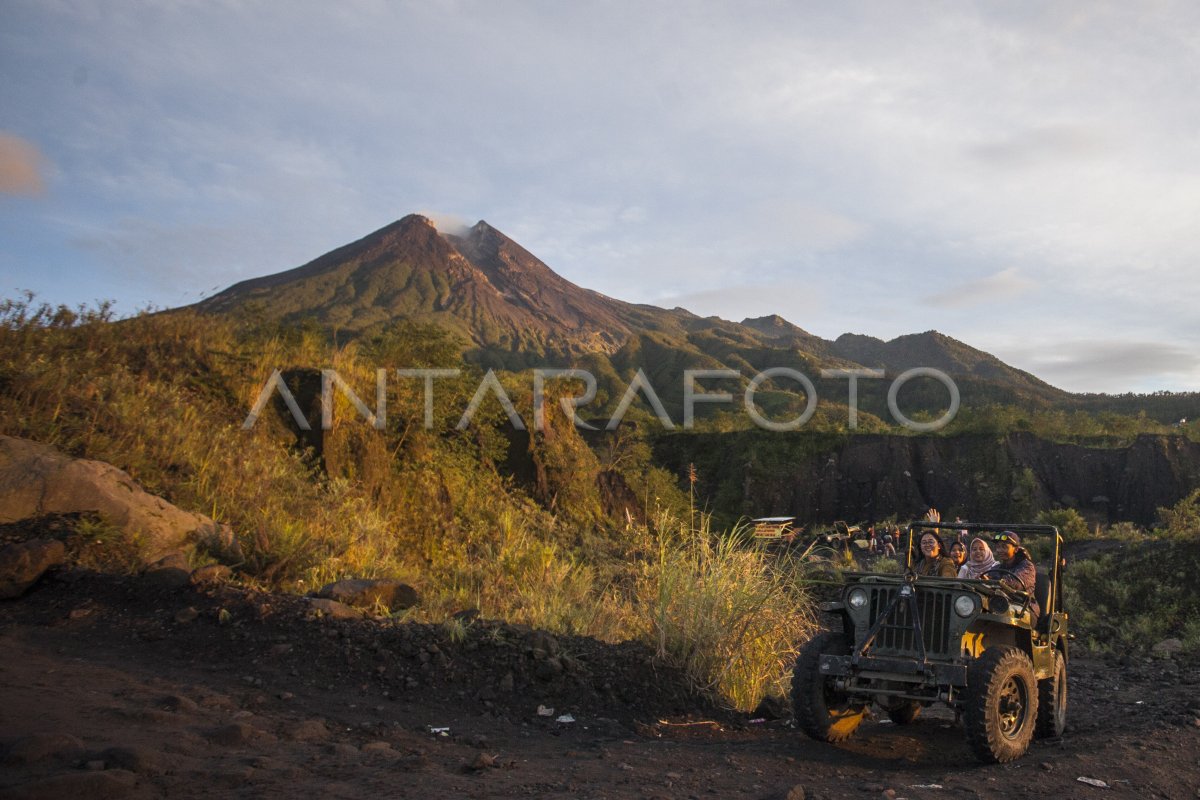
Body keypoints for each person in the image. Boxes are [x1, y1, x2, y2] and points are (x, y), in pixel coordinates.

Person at [983, 531, 1040, 621]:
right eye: (998, 547)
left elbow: (1016, 583)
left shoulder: (1027, 567)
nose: (999, 550)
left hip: (1025, 608)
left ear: (1016, 549)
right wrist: (983, 581)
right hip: (1000, 604)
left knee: (1002, 617)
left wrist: (995, 583)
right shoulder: (996, 568)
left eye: (1004, 547)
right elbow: (988, 582)